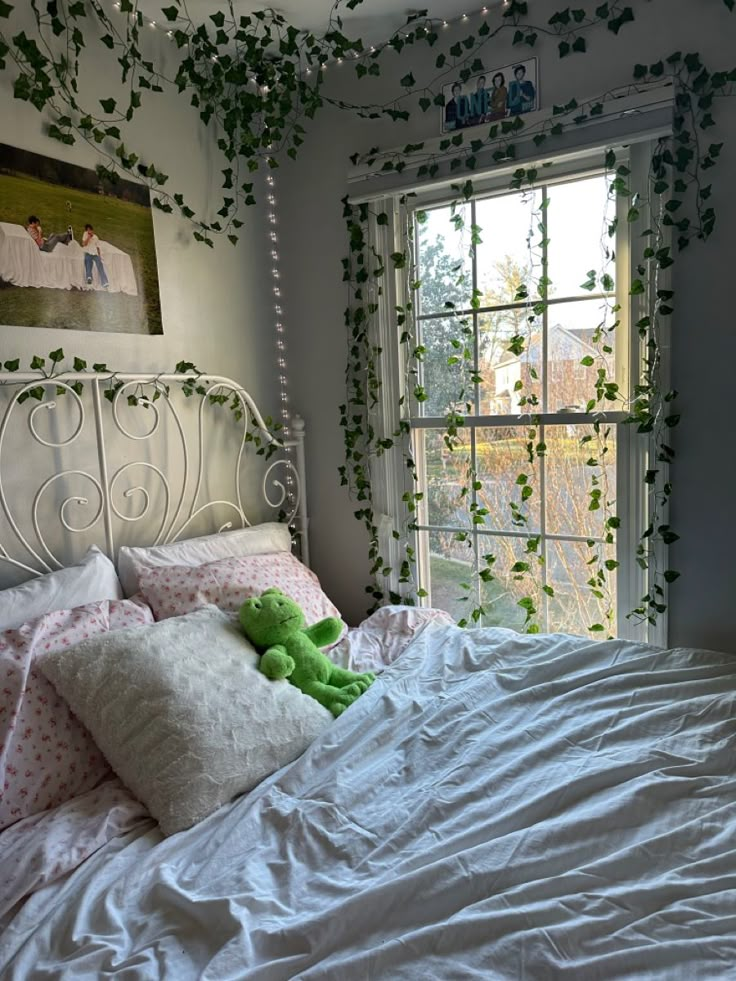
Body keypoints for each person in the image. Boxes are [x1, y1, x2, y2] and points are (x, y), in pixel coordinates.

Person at [81, 223, 109, 289]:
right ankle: (89, 278)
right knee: (88, 263)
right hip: (88, 253)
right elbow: (84, 244)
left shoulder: (96, 237)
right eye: (87, 230)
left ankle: (104, 282)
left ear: (92, 230)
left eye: (90, 230)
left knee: (100, 265)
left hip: (95, 254)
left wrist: (99, 255)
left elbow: (98, 247)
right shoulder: (85, 234)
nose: (89, 231)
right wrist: (88, 237)